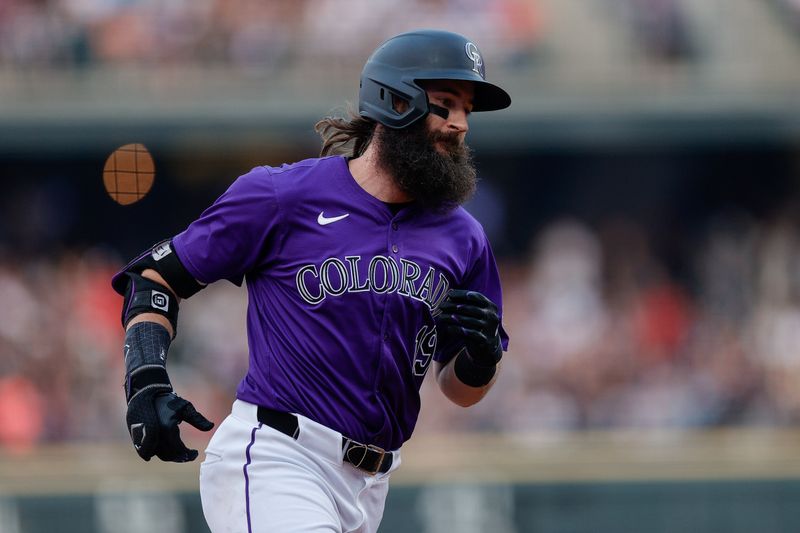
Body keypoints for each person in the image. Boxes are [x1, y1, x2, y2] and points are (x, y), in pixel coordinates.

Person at [112, 29, 511, 533]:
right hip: (278, 457)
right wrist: (145, 379)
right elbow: (153, 279)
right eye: (446, 104)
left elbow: (460, 389)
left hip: (370, 485)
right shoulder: (284, 196)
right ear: (394, 100)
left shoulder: (464, 236)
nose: (460, 124)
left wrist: (480, 359)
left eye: (467, 110)